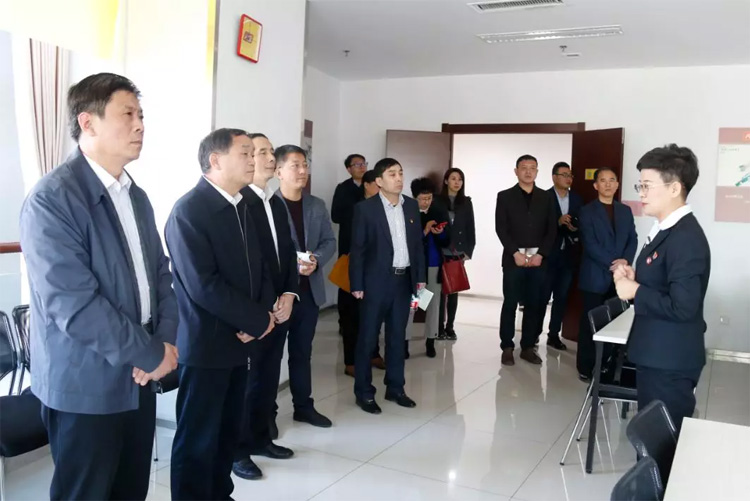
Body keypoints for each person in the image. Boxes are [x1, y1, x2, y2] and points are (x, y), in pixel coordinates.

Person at [19, 73, 178, 501]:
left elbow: (161, 275)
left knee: (130, 489)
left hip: (140, 375)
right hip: (85, 384)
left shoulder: (135, 196)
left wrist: (165, 342)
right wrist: (151, 353)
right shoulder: (52, 199)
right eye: (128, 114)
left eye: (141, 115)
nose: (140, 125)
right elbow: (74, 305)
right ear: (87, 122)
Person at [166, 129, 276, 500]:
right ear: (215, 160)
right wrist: (254, 321)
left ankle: (219, 493)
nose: (253, 160)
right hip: (207, 344)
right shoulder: (189, 211)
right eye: (245, 153)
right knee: (198, 436)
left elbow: (260, 267)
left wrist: (259, 316)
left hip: (240, 341)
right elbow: (203, 285)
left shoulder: (241, 206)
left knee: (228, 431)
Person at [614, 145, 710, 432]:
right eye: (640, 185)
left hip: (669, 360)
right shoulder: (666, 229)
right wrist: (637, 279)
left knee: (662, 445)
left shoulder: (685, 237)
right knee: (653, 438)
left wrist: (635, 291)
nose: (641, 193)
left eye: (647, 185)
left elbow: (683, 306)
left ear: (674, 188)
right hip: (657, 353)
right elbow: (664, 281)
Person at [233, 133, 299, 481]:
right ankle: (237, 450)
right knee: (246, 384)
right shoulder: (239, 203)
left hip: (279, 309)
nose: (270, 158)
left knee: (268, 378)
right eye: (262, 152)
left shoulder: (275, 202)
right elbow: (245, 266)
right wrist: (263, 308)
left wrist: (289, 294)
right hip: (256, 314)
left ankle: (260, 439)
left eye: (272, 151)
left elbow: (288, 254)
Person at [350, 158, 426, 414]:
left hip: (403, 281)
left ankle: (395, 388)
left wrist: (420, 277)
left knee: (397, 338)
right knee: (368, 339)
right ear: (379, 181)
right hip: (374, 283)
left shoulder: (411, 206)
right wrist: (357, 283)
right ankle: (364, 393)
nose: (399, 178)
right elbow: (358, 249)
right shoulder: (365, 209)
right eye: (392, 174)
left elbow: (417, 246)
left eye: (401, 173)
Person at [275, 144, 337, 428]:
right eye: (295, 166)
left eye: (304, 165)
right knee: (271, 357)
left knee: (302, 353)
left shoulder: (316, 205)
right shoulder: (268, 206)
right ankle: (267, 414)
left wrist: (316, 259)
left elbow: (329, 241)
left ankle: (303, 406)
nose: (302, 171)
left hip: (309, 292)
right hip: (278, 296)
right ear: (279, 171)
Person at [495, 155, 557, 366]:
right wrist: (515, 253)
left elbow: (552, 229)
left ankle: (528, 347)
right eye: (524, 168)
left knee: (534, 303)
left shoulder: (546, 197)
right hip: (513, 260)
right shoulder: (505, 196)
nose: (528, 172)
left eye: (532, 168)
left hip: (539, 261)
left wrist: (541, 255)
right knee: (510, 303)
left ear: (537, 172)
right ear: (516, 171)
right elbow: (501, 228)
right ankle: (507, 347)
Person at [576, 167, 637, 380]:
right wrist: (614, 264)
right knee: (590, 323)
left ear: (617, 184)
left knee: (616, 323)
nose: (608, 184)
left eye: (612, 180)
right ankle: (585, 367)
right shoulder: (587, 211)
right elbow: (590, 244)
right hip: (595, 277)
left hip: (619, 279)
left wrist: (625, 260)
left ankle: (607, 366)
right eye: (603, 180)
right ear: (596, 185)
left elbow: (633, 239)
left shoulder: (625, 211)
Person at [332, 156, 385, 377]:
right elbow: (336, 216)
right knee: (351, 314)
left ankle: (373, 353)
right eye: (357, 164)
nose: (361, 167)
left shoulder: (382, 205)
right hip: (351, 259)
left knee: (373, 313)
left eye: (364, 164)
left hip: (375, 265)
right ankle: (351, 360)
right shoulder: (347, 193)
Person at [540, 161, 583, 350]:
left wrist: (574, 227)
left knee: (561, 297)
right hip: (548, 255)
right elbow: (538, 226)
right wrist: (557, 222)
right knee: (542, 297)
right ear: (554, 177)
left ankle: (553, 334)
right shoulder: (544, 197)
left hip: (568, 256)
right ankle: (534, 334)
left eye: (570, 175)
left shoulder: (577, 199)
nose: (568, 178)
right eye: (564, 175)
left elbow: (581, 223)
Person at [411, 177, 450, 358]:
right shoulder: (408, 212)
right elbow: (408, 242)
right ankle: (404, 340)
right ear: (415, 197)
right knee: (412, 304)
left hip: (434, 264)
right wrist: (425, 230)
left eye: (429, 198)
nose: (426, 202)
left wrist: (439, 233)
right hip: (414, 266)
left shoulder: (438, 210)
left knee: (433, 305)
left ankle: (430, 340)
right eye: (422, 198)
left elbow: (447, 240)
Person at [436, 167, 476, 340]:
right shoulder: (437, 201)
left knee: (453, 291)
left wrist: (468, 251)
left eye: (460, 179)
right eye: (453, 178)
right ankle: (438, 327)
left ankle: (450, 327)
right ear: (446, 181)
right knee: (439, 292)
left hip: (457, 252)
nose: (457, 182)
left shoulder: (466, 202)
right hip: (440, 251)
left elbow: (470, 228)